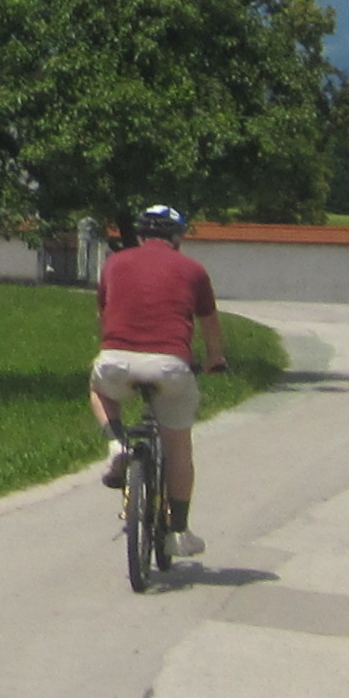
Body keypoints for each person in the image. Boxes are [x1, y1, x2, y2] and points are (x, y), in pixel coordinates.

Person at [91, 203, 223, 558]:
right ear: (177, 236)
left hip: (117, 358)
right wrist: (215, 359)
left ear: (141, 232)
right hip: (170, 366)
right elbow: (209, 323)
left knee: (99, 389)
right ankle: (178, 533)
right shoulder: (193, 269)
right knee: (179, 447)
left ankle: (116, 442)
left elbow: (103, 311)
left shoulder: (114, 263)